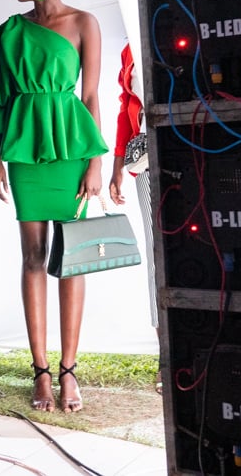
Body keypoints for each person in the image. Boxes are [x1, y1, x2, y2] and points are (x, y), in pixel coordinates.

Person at [0, 0, 108, 413]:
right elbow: (2, 102)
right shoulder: (10, 31)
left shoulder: (83, 23)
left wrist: (97, 162)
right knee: (33, 256)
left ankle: (70, 370)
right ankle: (42, 373)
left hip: (73, 146)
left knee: (73, 258)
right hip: (24, 150)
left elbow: (90, 97)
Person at [108, 41, 162, 394]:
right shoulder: (128, 49)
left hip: (188, 151)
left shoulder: (169, 29)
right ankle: (167, 355)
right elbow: (126, 109)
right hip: (144, 164)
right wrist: (116, 169)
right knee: (158, 252)